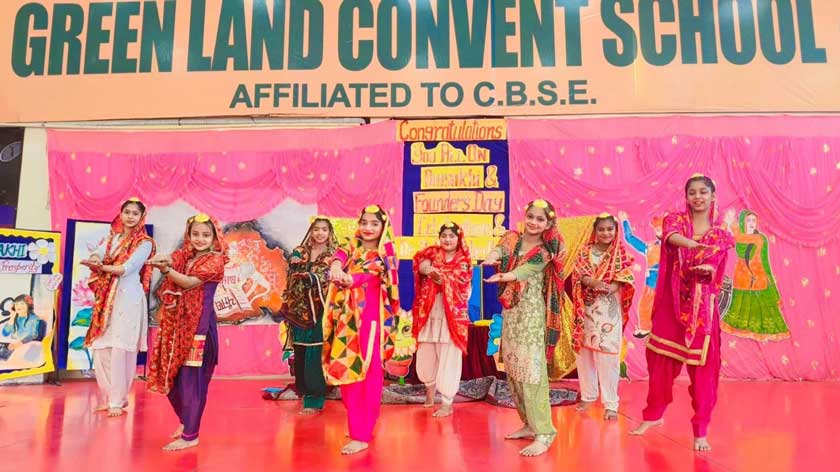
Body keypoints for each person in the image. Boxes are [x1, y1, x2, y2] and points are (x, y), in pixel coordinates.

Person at [630, 174, 734, 452]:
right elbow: (671, 238)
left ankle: (700, 431)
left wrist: (708, 268)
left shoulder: (720, 234)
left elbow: (715, 264)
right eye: (692, 192)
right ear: (686, 197)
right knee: (660, 363)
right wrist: (694, 246)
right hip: (671, 303)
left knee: (703, 373)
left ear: (713, 196)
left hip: (702, 310)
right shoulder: (675, 220)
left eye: (703, 192)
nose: (698, 197)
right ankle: (653, 415)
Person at [482, 199, 567, 457]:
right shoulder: (513, 239)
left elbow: (527, 270)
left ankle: (545, 432)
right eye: (531, 216)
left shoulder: (545, 251)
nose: (533, 222)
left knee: (531, 373)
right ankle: (529, 424)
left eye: (540, 219)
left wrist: (503, 276)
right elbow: (500, 250)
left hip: (531, 315)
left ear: (548, 224)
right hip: (512, 313)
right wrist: (491, 257)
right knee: (514, 371)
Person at [146, 214, 228, 451]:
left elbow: (189, 283)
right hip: (178, 327)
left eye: (206, 235)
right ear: (189, 235)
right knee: (171, 377)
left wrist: (166, 270)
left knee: (192, 382)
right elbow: (171, 258)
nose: (200, 239)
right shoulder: (186, 256)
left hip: (199, 329)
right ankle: (186, 421)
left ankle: (191, 435)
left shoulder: (215, 260)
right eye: (196, 234)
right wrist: (161, 259)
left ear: (214, 237)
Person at [324, 205, 401, 455]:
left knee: (365, 374)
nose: (368, 228)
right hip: (346, 321)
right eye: (364, 222)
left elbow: (362, 277)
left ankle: (361, 433)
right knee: (347, 372)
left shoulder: (385, 255)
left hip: (371, 322)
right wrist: (337, 266)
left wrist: (346, 278)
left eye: (374, 224)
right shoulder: (351, 245)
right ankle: (362, 422)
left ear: (383, 227)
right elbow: (340, 255)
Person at [80, 197, 155, 417]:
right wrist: (95, 259)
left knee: (121, 349)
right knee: (101, 346)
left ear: (141, 217)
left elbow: (126, 269)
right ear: (120, 214)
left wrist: (101, 267)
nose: (130, 217)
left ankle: (117, 400)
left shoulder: (145, 243)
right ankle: (108, 396)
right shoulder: (113, 238)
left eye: (135, 213)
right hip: (106, 298)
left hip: (128, 299)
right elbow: (98, 253)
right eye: (127, 212)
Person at [571, 214, 635, 421]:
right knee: (584, 355)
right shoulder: (585, 251)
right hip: (586, 310)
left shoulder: (620, 252)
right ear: (595, 231)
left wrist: (611, 287)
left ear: (616, 231)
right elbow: (578, 274)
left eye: (610, 229)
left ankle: (611, 403)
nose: (606, 233)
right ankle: (588, 396)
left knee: (608, 357)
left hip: (609, 311)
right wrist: (593, 283)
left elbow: (625, 277)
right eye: (601, 229)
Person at [412, 222, 472, 418]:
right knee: (426, 353)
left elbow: (462, 284)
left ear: (458, 239)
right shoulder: (432, 253)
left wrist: (442, 279)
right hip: (429, 312)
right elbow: (420, 263)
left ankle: (447, 403)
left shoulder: (463, 260)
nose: (447, 239)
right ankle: (429, 395)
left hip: (451, 317)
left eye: (451, 236)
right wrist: (428, 269)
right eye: (444, 235)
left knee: (449, 358)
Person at [284, 217, 337, 415]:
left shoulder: (333, 255)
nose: (320, 233)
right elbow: (292, 266)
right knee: (300, 351)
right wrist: (294, 261)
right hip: (299, 310)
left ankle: (314, 399)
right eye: (316, 229)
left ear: (329, 233)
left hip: (320, 310)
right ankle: (304, 391)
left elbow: (329, 278)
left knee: (315, 352)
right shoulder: (301, 251)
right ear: (311, 231)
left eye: (324, 229)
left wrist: (312, 277)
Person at [721, 209, 789, 340]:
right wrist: (726, 223)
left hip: (757, 278)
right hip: (741, 277)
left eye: (754, 220)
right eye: (749, 220)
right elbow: (728, 239)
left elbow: (742, 239)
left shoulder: (760, 238)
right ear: (743, 222)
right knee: (739, 309)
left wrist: (732, 224)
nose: (752, 223)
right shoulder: (739, 237)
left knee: (763, 313)